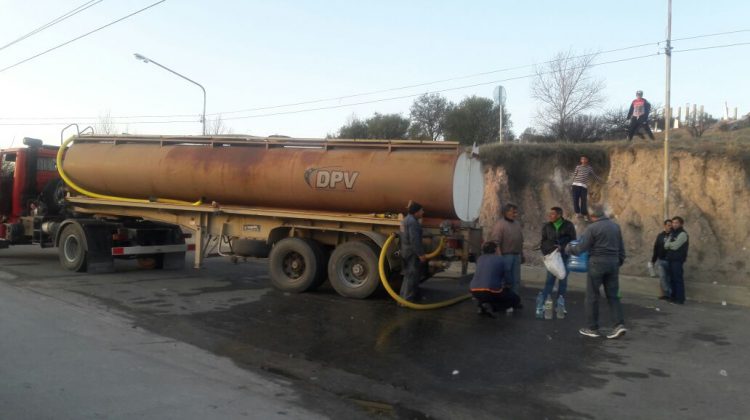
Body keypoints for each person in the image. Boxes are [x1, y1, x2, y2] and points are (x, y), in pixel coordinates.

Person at [566, 204, 627, 339]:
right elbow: (621, 249)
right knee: (613, 296)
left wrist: (568, 248)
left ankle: (592, 328)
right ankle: (619, 325)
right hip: (613, 263)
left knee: (592, 296)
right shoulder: (615, 227)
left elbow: (581, 248)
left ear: (592, 216)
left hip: (597, 264)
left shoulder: (592, 228)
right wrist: (618, 261)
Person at [538, 207, 577, 319]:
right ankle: (545, 303)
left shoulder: (568, 225)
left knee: (563, 281)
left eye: (552, 214)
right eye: (549, 214)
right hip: (552, 257)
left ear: (559, 215)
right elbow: (543, 241)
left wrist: (562, 247)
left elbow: (573, 241)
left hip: (564, 257)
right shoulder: (547, 226)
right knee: (549, 280)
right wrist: (548, 251)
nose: (550, 216)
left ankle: (560, 304)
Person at [470, 241, 521, 317]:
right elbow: (507, 277)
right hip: (490, 291)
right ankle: (494, 307)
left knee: (487, 294)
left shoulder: (480, 259)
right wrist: (508, 284)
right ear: (495, 250)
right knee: (515, 299)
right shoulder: (500, 260)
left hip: (474, 290)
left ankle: (482, 305)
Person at [489, 203, 524, 300]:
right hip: (505, 256)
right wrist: (500, 257)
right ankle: (503, 300)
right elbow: (495, 243)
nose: (515, 214)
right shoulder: (500, 224)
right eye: (513, 212)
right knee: (505, 280)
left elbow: (520, 240)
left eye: (516, 212)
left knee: (516, 280)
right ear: (506, 212)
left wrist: (522, 254)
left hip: (516, 255)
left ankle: (515, 300)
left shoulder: (517, 224)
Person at [399, 201, 427, 303]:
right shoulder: (413, 222)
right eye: (421, 210)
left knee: (407, 276)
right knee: (412, 276)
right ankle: (407, 300)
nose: (423, 212)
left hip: (405, 251)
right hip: (412, 253)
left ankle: (402, 299)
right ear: (416, 212)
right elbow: (414, 240)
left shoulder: (406, 220)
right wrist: (420, 254)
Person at [664, 216, 689, 305]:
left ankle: (680, 299)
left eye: (676, 223)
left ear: (681, 224)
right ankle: (673, 297)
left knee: (678, 279)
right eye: (673, 223)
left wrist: (670, 244)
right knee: (672, 279)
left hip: (677, 260)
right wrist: (671, 244)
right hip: (671, 259)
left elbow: (676, 246)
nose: (674, 224)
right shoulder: (672, 233)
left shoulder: (683, 234)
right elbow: (665, 245)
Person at [571, 155, 603, 220]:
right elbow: (574, 176)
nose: (583, 160)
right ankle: (577, 213)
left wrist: (601, 180)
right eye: (582, 159)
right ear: (580, 160)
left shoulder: (589, 168)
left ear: (587, 160)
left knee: (583, 200)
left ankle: (584, 214)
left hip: (583, 186)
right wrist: (572, 184)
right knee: (575, 200)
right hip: (575, 185)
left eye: (585, 159)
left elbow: (594, 176)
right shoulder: (578, 167)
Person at [650, 219, 672, 300]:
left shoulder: (673, 235)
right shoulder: (660, 236)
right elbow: (656, 248)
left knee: (669, 278)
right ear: (665, 226)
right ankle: (666, 293)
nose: (670, 227)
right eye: (668, 225)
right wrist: (653, 260)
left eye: (671, 225)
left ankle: (670, 295)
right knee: (662, 277)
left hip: (670, 260)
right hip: (661, 260)